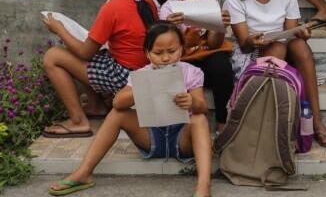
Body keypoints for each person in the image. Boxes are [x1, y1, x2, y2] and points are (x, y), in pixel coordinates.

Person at [47, 21, 212, 197]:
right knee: (118, 114)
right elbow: (118, 102)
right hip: (151, 136)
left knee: (199, 119)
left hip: (182, 138)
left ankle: (203, 186)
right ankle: (84, 172)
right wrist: (148, 86)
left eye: (172, 51)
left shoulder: (191, 72)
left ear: (181, 49)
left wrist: (191, 101)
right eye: (158, 53)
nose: (165, 58)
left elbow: (203, 107)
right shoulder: (142, 73)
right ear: (147, 53)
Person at [223, 0, 326, 148]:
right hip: (252, 52)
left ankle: (317, 122)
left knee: (298, 46)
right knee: (280, 46)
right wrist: (254, 39)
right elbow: (244, 44)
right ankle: (273, 127)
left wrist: (301, 32)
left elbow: (291, 30)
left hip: (282, 45)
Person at [42, 0, 158, 137]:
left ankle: (78, 121)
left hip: (124, 75)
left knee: (53, 56)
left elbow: (85, 53)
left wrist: (59, 29)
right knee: (94, 54)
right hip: (142, 70)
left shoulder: (112, 7)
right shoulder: (147, 2)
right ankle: (95, 106)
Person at [159, 0, 233, 132]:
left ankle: (223, 124)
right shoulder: (169, 7)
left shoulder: (211, 2)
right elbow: (166, 46)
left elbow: (214, 45)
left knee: (222, 65)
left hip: (205, 56)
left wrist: (219, 26)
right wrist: (170, 27)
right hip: (182, 59)